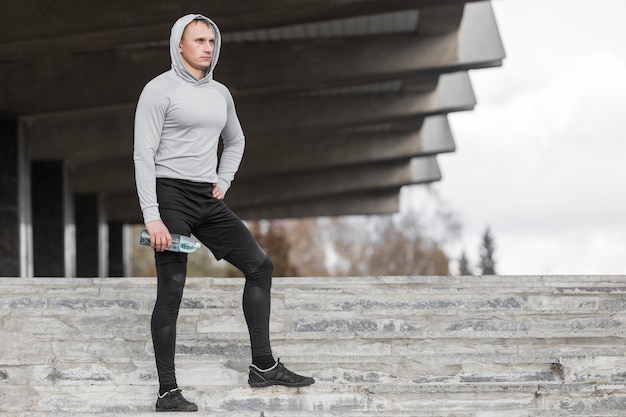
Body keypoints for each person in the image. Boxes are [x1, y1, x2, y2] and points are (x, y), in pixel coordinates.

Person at [133, 13, 315, 413]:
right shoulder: (158, 91)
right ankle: (167, 391)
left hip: (206, 198)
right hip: (170, 195)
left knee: (260, 266)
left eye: (212, 42)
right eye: (198, 41)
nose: (207, 47)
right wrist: (152, 215)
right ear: (178, 45)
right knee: (171, 291)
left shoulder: (220, 93)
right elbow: (143, 154)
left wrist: (224, 179)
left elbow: (236, 139)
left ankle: (263, 366)